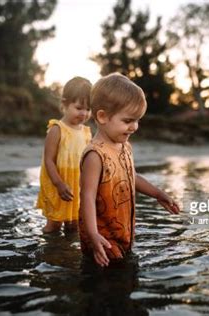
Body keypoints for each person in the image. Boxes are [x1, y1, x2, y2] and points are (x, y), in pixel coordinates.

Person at [79, 73, 180, 267]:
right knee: (107, 282)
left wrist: (158, 194)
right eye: (127, 121)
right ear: (102, 116)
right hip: (102, 238)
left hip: (123, 232)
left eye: (137, 120)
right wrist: (93, 235)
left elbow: (130, 176)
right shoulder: (95, 155)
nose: (134, 127)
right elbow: (87, 197)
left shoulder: (124, 146)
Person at [36, 76, 92, 233]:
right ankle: (48, 252)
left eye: (88, 109)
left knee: (74, 225)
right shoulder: (57, 129)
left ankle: (67, 254)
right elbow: (49, 160)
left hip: (76, 184)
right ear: (64, 104)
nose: (84, 113)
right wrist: (59, 184)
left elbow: (88, 161)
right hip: (58, 183)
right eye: (79, 108)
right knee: (54, 225)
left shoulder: (86, 132)